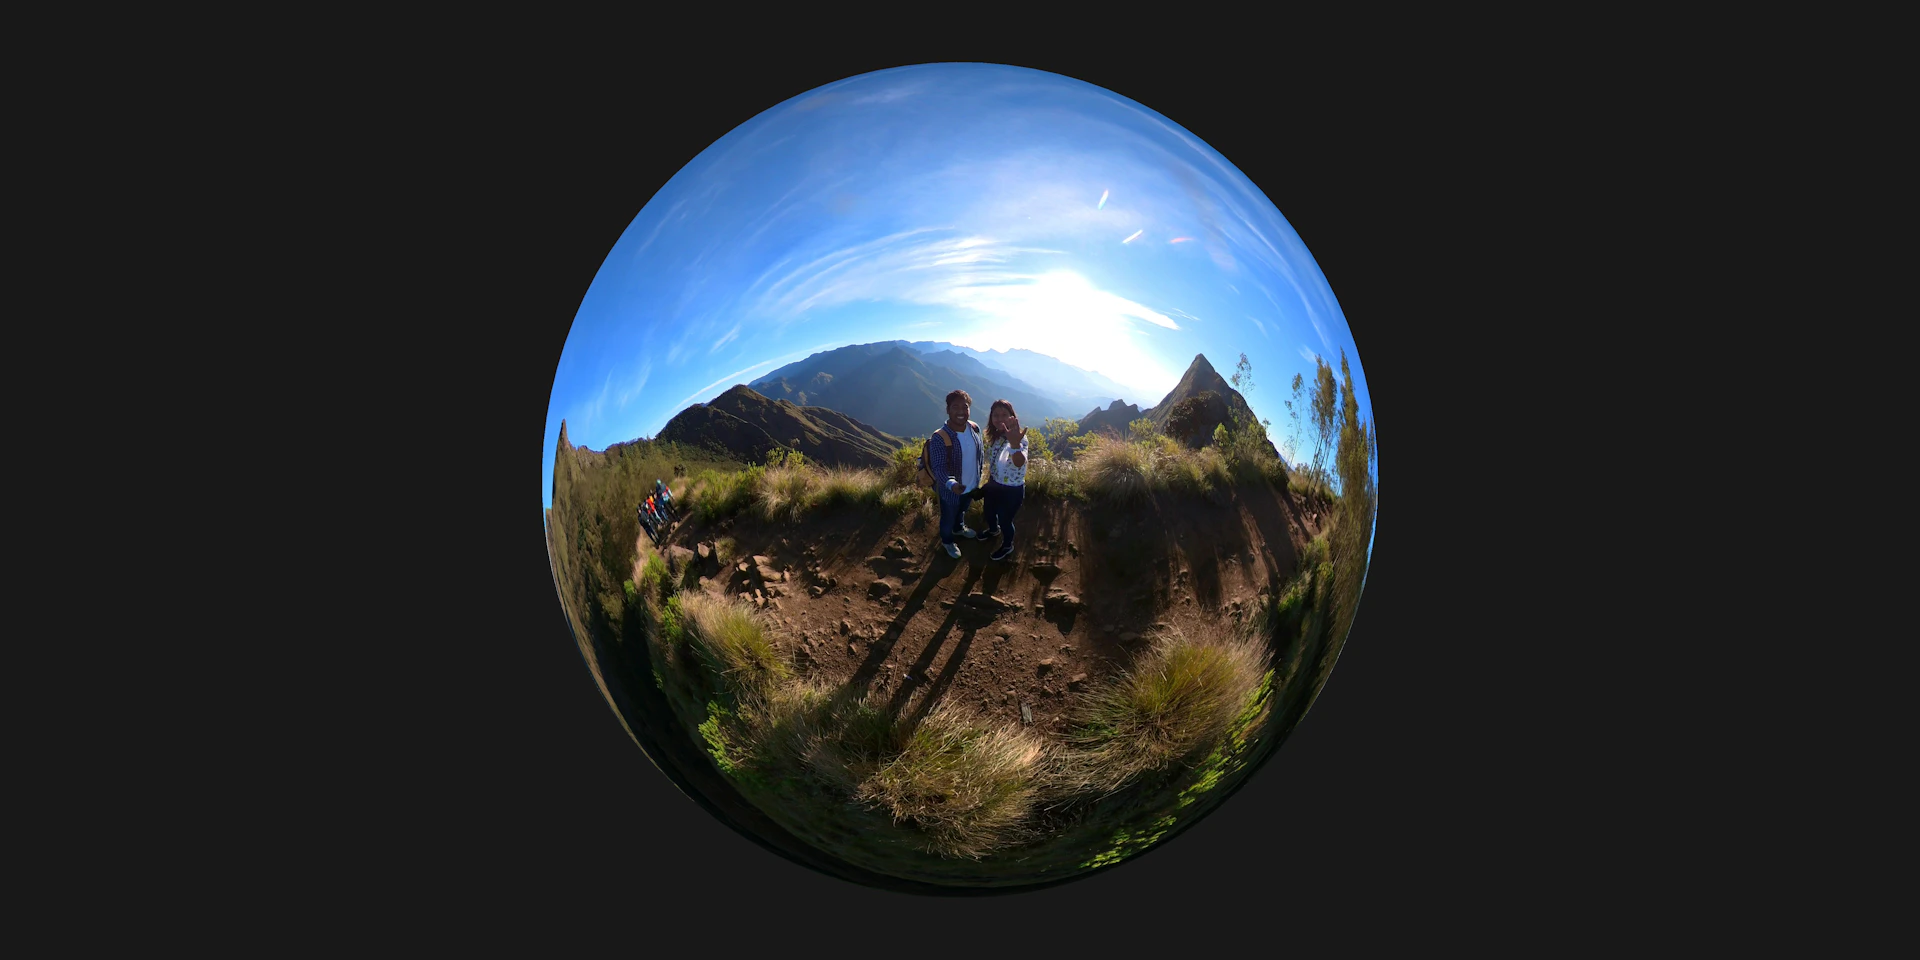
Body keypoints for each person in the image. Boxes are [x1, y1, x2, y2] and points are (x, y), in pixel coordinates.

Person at [926, 388, 987, 559]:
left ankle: (959, 528)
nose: (961, 411)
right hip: (950, 490)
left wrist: (977, 480)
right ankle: (947, 541)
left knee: (962, 510)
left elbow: (979, 456)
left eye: (965, 406)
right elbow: (939, 467)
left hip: (970, 486)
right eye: (955, 407)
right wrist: (952, 484)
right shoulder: (941, 437)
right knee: (948, 517)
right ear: (948, 410)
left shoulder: (974, 428)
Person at [979, 399, 1029, 562]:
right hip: (995, 484)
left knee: (1005, 520)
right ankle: (993, 530)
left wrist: (1015, 444)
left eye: (1004, 415)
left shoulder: (1019, 438)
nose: (1000, 418)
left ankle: (1008, 545)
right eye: (996, 415)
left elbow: (1019, 462)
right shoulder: (995, 437)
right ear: (991, 418)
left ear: (1012, 417)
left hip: (1012, 489)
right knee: (989, 511)